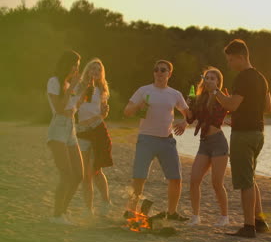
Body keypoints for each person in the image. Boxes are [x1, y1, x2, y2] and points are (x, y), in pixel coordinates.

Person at [205, 39, 271, 238]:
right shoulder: (262, 78)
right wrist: (247, 112)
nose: (229, 64)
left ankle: (248, 226)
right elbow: (268, 108)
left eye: (231, 60)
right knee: (249, 177)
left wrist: (215, 91)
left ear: (241, 57)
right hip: (258, 133)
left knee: (244, 182)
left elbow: (232, 105)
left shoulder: (243, 78)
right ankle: (260, 221)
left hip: (243, 135)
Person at [123, 60, 190, 221]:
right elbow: (127, 112)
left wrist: (184, 122)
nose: (159, 73)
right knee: (139, 177)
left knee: (176, 178)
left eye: (163, 70)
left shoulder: (175, 94)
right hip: (146, 139)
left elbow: (189, 113)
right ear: (153, 73)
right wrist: (140, 105)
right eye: (156, 70)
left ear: (169, 74)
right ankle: (131, 211)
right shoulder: (143, 90)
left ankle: (172, 213)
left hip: (167, 141)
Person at [185, 67, 230, 227]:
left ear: (218, 82)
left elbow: (230, 108)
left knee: (217, 183)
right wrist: (188, 107)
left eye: (213, 78)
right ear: (203, 80)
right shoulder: (200, 98)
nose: (209, 80)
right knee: (194, 180)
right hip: (204, 143)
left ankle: (224, 217)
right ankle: (196, 216)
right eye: (207, 78)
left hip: (218, 142)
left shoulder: (222, 97)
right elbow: (190, 119)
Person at [46, 50, 86, 225]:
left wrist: (82, 92)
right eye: (74, 65)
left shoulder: (71, 83)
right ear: (66, 64)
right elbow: (60, 109)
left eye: (78, 66)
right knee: (66, 174)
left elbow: (73, 108)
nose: (76, 69)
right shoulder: (54, 82)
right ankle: (56, 215)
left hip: (71, 129)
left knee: (78, 175)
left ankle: (63, 211)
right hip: (58, 129)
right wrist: (71, 88)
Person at [75, 58, 113, 217]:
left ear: (101, 73)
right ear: (87, 71)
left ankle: (105, 202)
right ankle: (88, 208)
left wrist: (104, 113)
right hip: (82, 131)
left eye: (98, 70)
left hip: (97, 131)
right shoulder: (78, 87)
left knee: (96, 170)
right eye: (92, 69)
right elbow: (74, 107)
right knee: (85, 174)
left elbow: (102, 114)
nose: (95, 72)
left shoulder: (102, 90)